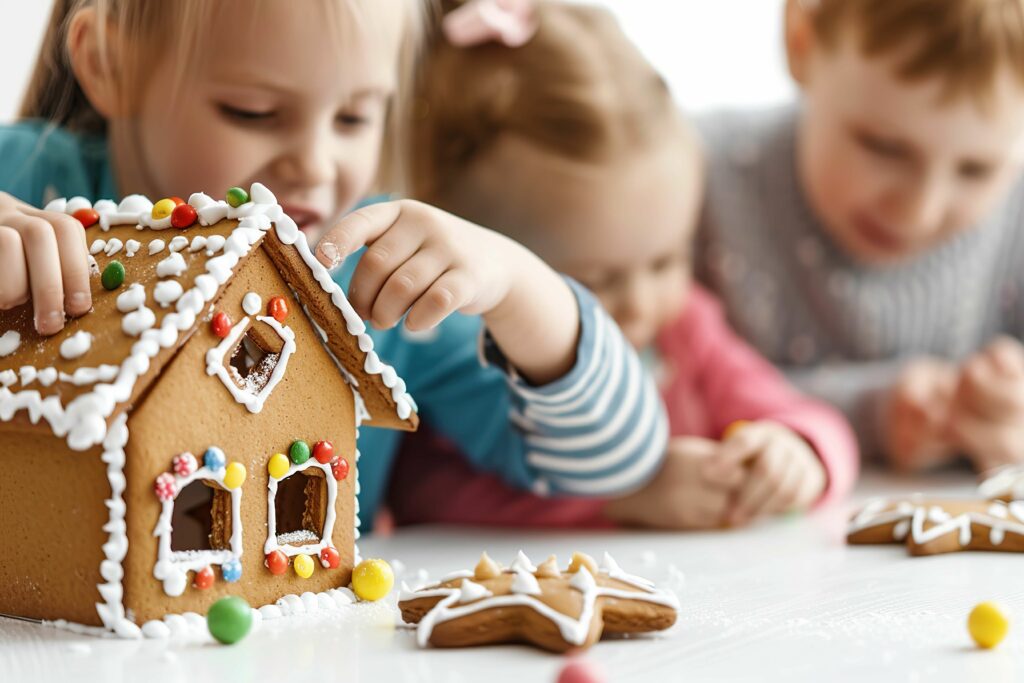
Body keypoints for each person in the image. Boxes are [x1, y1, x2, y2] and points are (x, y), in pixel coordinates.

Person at [0, 0, 668, 529]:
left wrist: (520, 284)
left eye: (353, 118)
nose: (315, 164)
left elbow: (618, 459)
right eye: (253, 112)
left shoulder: (372, 270)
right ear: (107, 64)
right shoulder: (25, 184)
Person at [388, 0, 857, 530]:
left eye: (665, 261)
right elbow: (421, 493)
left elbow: (813, 418)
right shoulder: (460, 351)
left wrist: (796, 451)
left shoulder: (683, 329)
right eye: (594, 280)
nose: (640, 301)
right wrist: (622, 499)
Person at [696, 0, 1024, 473]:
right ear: (801, 42)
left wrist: (1006, 412)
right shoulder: (691, 177)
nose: (918, 212)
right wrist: (872, 413)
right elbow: (655, 397)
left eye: (977, 170)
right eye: (884, 147)